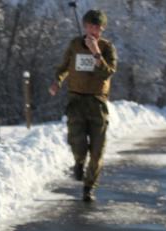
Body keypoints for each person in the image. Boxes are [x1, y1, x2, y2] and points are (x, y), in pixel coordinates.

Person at [49, 10, 118, 203]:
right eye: (90, 26)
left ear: (102, 29)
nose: (93, 30)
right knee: (77, 143)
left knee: (97, 150)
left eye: (97, 27)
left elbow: (107, 73)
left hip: (97, 102)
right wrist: (57, 81)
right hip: (76, 101)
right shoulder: (75, 45)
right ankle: (79, 161)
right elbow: (63, 67)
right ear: (85, 26)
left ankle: (89, 187)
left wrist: (96, 53)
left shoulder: (107, 48)